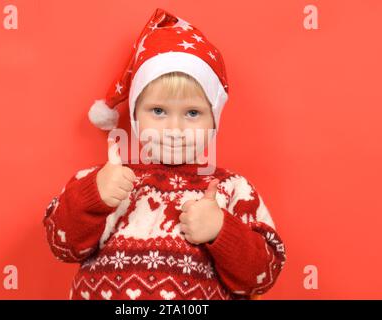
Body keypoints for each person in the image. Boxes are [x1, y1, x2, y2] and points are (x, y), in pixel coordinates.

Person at [43, 7, 286, 300]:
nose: (174, 127)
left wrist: (221, 231)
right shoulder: (102, 180)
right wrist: (93, 198)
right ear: (134, 115)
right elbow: (62, 248)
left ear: (214, 121)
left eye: (192, 113)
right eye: (158, 111)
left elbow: (260, 280)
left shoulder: (234, 190)